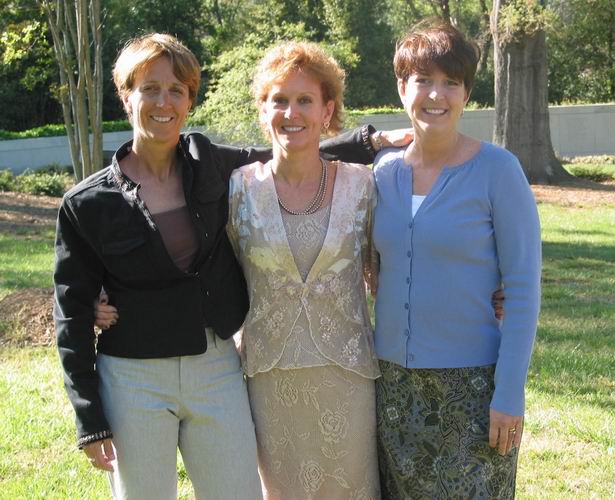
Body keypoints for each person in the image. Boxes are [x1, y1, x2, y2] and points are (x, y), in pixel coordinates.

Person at [54, 33, 388, 499]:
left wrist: (369, 141)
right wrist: (89, 416)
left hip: (215, 366)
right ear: (126, 97)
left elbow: (288, 150)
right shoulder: (87, 203)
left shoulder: (207, 165)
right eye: (150, 89)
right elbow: (69, 314)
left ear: (190, 99)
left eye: (176, 90)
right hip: (133, 373)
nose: (163, 102)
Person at [372, 19, 541, 499]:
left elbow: (523, 289)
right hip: (393, 386)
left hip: (473, 389)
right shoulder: (381, 174)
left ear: (467, 93)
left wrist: (509, 392)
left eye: (451, 82)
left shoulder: (498, 171)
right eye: (423, 80)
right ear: (402, 88)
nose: (436, 94)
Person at [225, 41, 381, 499]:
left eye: (305, 100)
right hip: (270, 378)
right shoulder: (239, 189)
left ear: (327, 110)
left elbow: (396, 266)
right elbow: (211, 268)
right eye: (279, 100)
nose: (291, 113)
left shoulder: (362, 185)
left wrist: (486, 290)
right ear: (263, 110)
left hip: (347, 376)